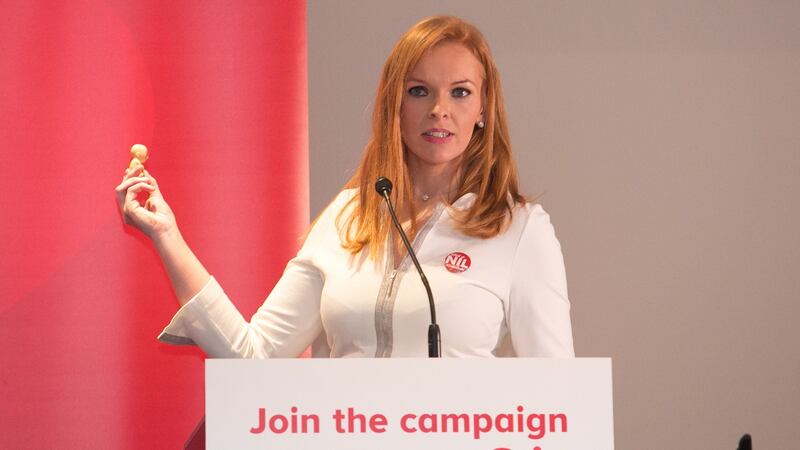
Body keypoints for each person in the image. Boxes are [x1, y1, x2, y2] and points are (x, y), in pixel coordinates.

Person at [115, 15, 574, 358]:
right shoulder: (347, 217)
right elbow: (252, 357)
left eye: (459, 92)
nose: (439, 109)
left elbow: (558, 400)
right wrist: (166, 235)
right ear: (394, 105)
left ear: (483, 110)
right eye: (419, 91)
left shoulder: (519, 229)